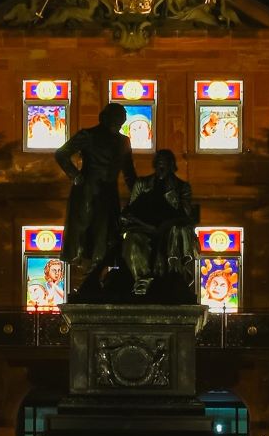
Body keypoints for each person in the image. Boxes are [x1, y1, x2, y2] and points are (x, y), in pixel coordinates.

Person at [54, 101, 136, 295]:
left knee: (107, 236)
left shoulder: (123, 141)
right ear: (106, 117)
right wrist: (75, 175)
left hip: (109, 193)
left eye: (122, 117)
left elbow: (129, 173)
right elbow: (62, 153)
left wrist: (140, 194)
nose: (121, 120)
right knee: (87, 234)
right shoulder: (88, 135)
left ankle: (95, 278)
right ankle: (86, 279)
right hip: (87, 191)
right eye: (118, 116)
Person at [121, 148, 198, 298]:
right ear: (155, 165)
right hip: (144, 228)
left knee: (178, 231)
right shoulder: (142, 184)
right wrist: (137, 221)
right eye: (159, 163)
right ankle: (142, 280)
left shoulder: (181, 186)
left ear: (172, 166)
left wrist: (167, 222)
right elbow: (131, 209)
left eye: (166, 164)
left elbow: (186, 214)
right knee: (132, 239)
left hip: (170, 228)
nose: (161, 167)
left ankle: (176, 275)